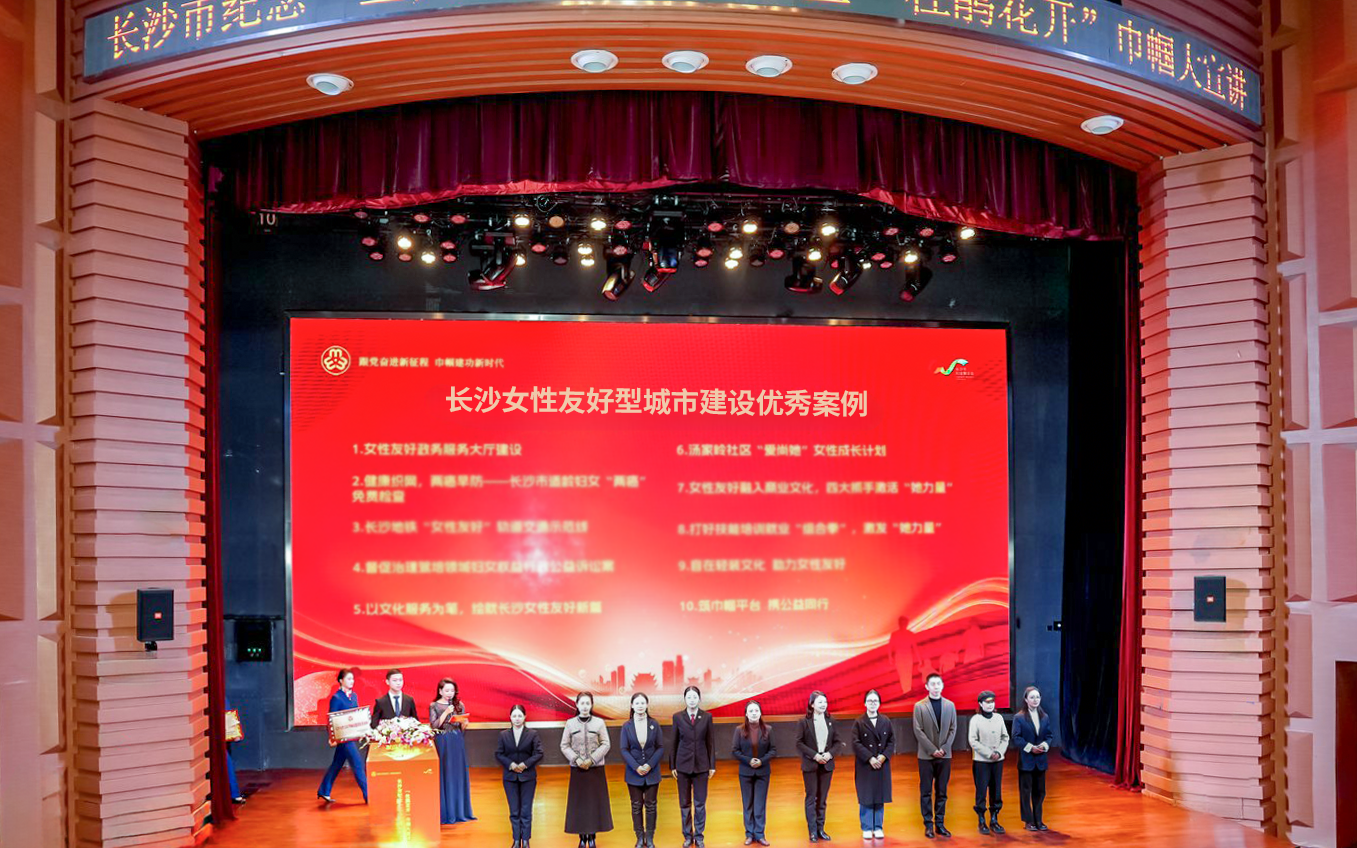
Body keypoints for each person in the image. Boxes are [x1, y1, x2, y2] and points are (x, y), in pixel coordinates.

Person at [561, 692, 613, 848]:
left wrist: (592, 759)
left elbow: (606, 743)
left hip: (595, 770)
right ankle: (582, 837)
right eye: (582, 703)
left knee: (594, 804)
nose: (584, 706)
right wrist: (576, 759)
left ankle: (592, 836)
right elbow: (564, 745)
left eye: (587, 703)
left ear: (591, 705)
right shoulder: (570, 723)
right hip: (578, 770)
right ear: (577, 705)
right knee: (579, 805)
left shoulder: (599, 723)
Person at [912, 672, 957, 839]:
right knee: (926, 791)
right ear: (927, 687)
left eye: (939, 683)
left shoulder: (950, 705)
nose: (936, 686)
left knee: (942, 791)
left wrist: (944, 748)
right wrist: (932, 749)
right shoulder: (919, 706)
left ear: (942, 686)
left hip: (945, 755)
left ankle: (940, 824)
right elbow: (918, 730)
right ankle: (928, 825)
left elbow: (953, 729)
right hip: (926, 756)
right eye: (933, 684)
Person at [670, 686, 716, 848]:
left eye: (694, 697)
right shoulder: (677, 717)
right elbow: (674, 742)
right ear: (685, 699)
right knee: (684, 803)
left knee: (700, 803)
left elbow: (710, 741)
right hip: (682, 766)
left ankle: (699, 836)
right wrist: (672, 765)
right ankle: (687, 836)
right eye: (689, 697)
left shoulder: (707, 717)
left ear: (699, 699)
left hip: (702, 765)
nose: (691, 700)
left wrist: (712, 765)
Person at [795, 690, 842, 843]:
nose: (823, 704)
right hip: (811, 764)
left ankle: (821, 829)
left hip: (827, 764)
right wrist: (815, 755)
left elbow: (837, 742)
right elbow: (799, 743)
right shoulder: (804, 722)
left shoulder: (831, 721)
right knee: (811, 798)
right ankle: (812, 831)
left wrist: (829, 754)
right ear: (812, 704)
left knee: (822, 798)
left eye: (825, 702)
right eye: (820, 702)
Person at [496, 704, 544, 848]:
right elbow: (499, 754)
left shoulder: (532, 734)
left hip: (528, 777)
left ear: (525, 717)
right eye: (514, 716)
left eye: (520, 716)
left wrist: (525, 764)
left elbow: (539, 753)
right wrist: (511, 764)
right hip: (510, 778)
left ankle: (526, 840)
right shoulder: (503, 735)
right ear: (510, 717)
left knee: (526, 810)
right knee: (514, 810)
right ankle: (516, 840)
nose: (517, 719)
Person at [619, 693, 664, 848]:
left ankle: (650, 838)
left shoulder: (654, 724)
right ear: (632, 705)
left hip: (652, 772)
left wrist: (649, 765)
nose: (640, 706)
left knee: (651, 806)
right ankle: (639, 837)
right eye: (637, 703)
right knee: (636, 805)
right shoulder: (626, 726)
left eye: (642, 703)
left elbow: (660, 747)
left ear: (647, 705)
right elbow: (624, 749)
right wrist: (636, 766)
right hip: (633, 773)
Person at [318, 668, 369, 803]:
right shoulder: (336, 698)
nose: (352, 681)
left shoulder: (354, 696)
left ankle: (324, 790)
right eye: (349, 679)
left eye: (353, 679)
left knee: (337, 763)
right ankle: (368, 795)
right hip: (343, 737)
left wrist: (361, 730)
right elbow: (331, 719)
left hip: (351, 735)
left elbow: (356, 715)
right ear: (341, 680)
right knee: (357, 764)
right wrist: (332, 737)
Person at [431, 678, 475, 824]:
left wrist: (464, 723)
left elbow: (462, 728)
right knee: (445, 772)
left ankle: (460, 810)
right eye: (447, 690)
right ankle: (445, 810)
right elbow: (434, 726)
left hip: (457, 741)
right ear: (440, 691)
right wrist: (445, 713)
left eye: (452, 690)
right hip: (443, 741)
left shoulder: (459, 705)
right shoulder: (434, 705)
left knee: (457, 773)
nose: (450, 693)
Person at [731, 700, 776, 847]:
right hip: (745, 772)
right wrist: (749, 761)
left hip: (763, 772)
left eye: (756, 710)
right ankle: (749, 834)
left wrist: (761, 761)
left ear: (760, 713)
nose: (754, 713)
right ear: (746, 714)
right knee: (748, 804)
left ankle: (760, 834)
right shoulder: (739, 730)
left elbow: (773, 750)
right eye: (751, 711)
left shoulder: (768, 729)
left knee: (760, 804)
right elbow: (735, 751)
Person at [853, 689, 894, 840]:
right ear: (865, 703)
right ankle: (866, 827)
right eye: (869, 701)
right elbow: (856, 743)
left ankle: (878, 827)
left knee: (879, 795)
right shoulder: (859, 722)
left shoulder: (886, 721)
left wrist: (883, 757)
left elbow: (891, 741)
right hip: (865, 765)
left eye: (875, 701)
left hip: (882, 764)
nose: (872, 703)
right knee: (866, 795)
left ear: (879, 703)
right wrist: (870, 758)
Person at [1011, 685, 1053, 832]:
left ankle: (1038, 819)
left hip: (1041, 760)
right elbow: (1016, 737)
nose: (1035, 700)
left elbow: (1049, 736)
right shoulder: (1019, 717)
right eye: (1032, 697)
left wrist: (1044, 745)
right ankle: (1028, 821)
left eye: (1037, 697)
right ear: (1026, 699)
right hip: (1026, 761)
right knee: (1025, 792)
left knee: (1040, 791)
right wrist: (1030, 747)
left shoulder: (1045, 717)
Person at [967, 690, 1009, 835]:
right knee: (981, 790)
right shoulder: (975, 720)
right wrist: (989, 753)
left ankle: (994, 819)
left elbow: (1005, 737)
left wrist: (999, 752)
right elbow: (973, 740)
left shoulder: (999, 718)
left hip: (997, 761)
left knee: (996, 790)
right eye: (987, 702)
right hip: (982, 761)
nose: (990, 705)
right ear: (980, 704)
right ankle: (981, 820)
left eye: (992, 702)